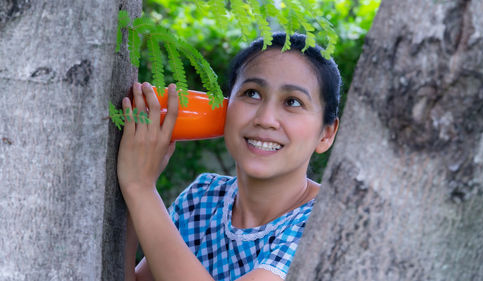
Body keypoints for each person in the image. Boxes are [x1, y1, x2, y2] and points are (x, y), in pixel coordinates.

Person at [118, 32, 341, 281]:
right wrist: (132, 185)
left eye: (293, 101)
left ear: (326, 134)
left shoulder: (325, 221)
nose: (265, 119)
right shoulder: (203, 197)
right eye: (252, 94)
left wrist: (140, 188)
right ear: (225, 107)